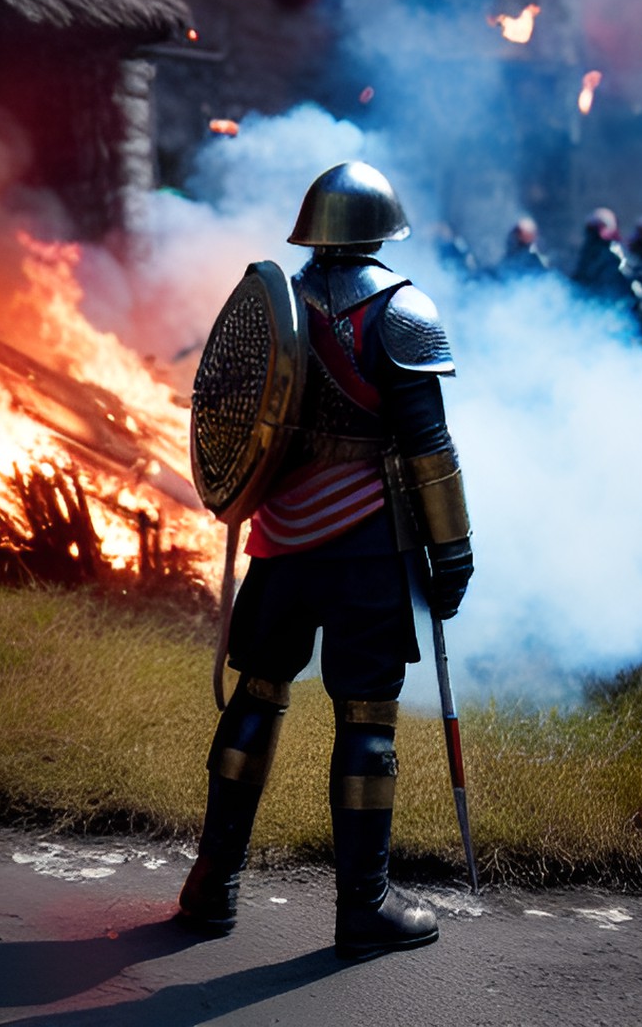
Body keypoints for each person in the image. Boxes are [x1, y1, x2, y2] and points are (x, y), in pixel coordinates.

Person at [178, 161, 474, 960]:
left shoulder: (277, 307)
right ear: (382, 228)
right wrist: (453, 548)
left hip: (279, 540)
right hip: (365, 550)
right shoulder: (401, 313)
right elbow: (428, 448)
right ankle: (363, 904)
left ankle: (212, 884)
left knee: (255, 698)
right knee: (367, 720)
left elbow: (232, 405)